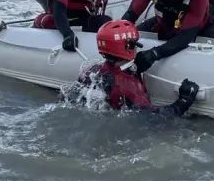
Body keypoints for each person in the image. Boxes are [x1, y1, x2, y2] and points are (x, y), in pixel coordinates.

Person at [67, 19, 200, 115]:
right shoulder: (127, 86)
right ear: (128, 47)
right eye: (135, 44)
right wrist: (184, 100)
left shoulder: (92, 69)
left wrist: (136, 71)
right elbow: (153, 117)